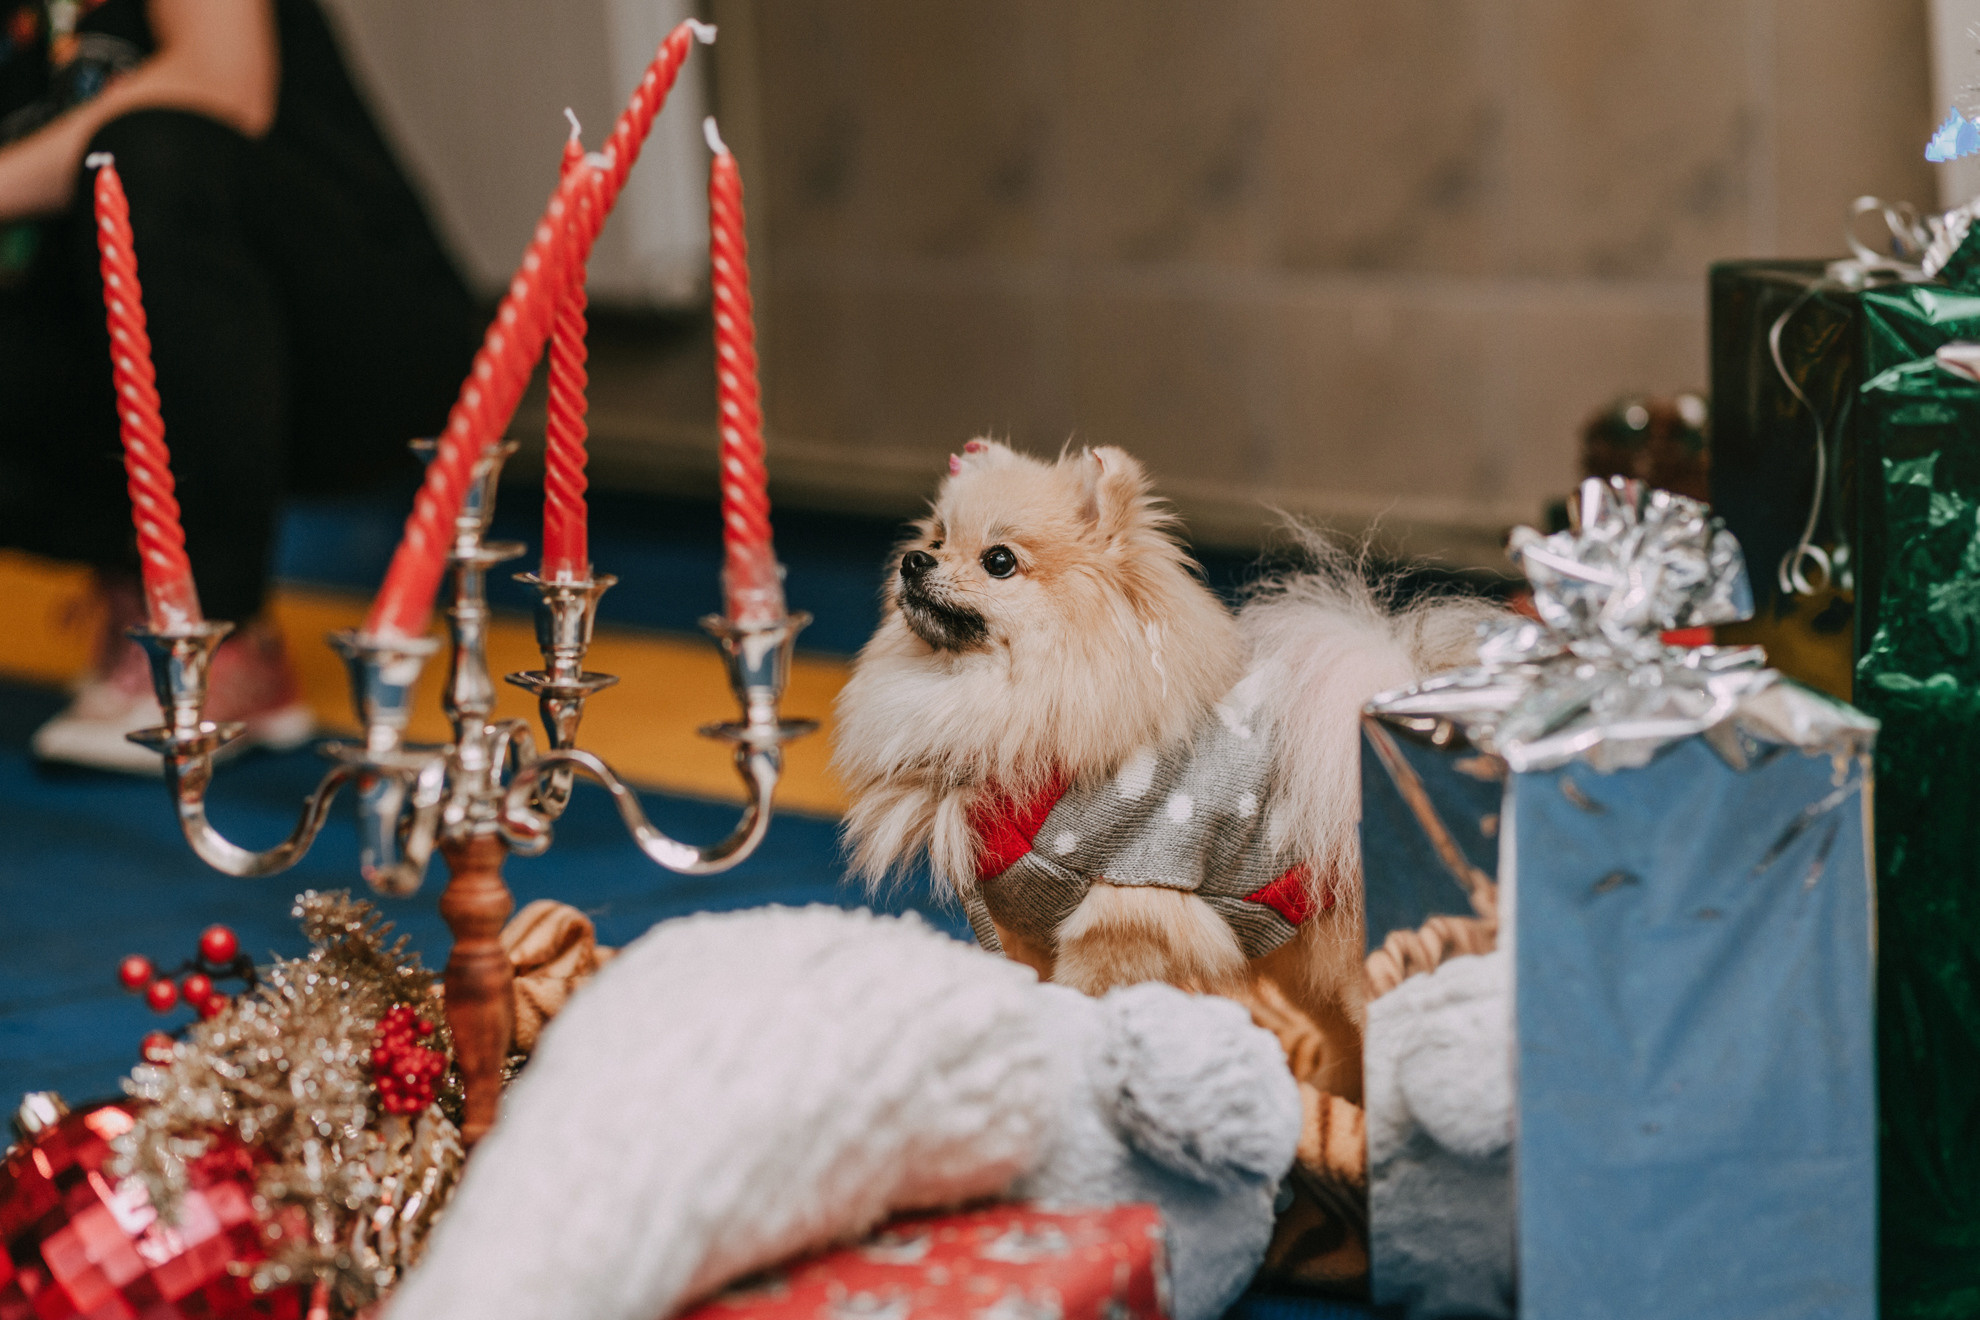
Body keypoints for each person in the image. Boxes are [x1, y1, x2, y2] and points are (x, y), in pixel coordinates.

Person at [0, 0, 478, 771]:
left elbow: (220, 82)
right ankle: (138, 580)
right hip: (125, 336)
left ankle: (216, 627)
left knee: (145, 153)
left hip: (350, 336)